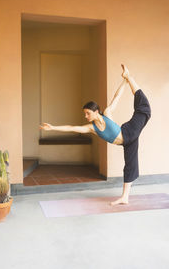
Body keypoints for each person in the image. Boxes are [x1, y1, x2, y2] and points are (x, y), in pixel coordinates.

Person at [40, 64, 151, 205]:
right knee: (130, 166)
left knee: (144, 108)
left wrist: (125, 80)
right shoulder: (92, 128)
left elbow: (117, 96)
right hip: (127, 142)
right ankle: (125, 197)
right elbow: (72, 128)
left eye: (88, 113)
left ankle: (129, 76)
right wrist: (53, 127)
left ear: (96, 111)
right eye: (85, 114)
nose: (86, 116)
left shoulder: (107, 114)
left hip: (129, 131)